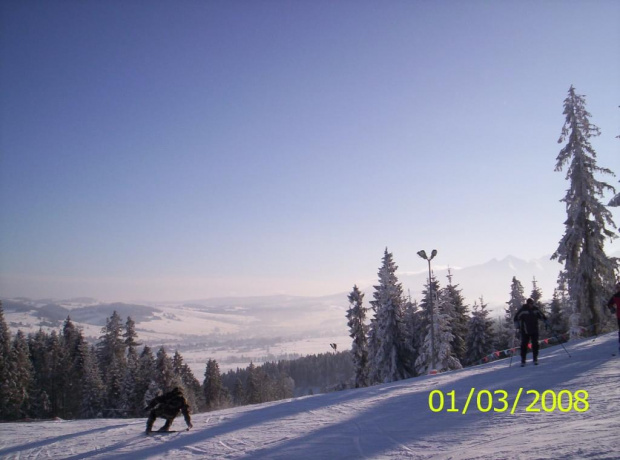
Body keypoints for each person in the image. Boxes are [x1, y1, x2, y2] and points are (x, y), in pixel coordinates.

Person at [514, 298, 548, 367]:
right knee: (524, 345)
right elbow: (516, 318)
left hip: (534, 330)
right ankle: (523, 360)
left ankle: (535, 358)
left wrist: (545, 320)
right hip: (525, 331)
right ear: (527, 303)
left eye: (532, 303)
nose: (531, 305)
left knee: (535, 344)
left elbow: (541, 315)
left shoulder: (535, 309)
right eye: (530, 303)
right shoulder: (523, 310)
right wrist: (517, 325)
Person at [606, 283, 620, 351]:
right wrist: (612, 308)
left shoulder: (615, 296)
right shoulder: (615, 296)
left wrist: (612, 308)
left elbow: (609, 304)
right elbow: (609, 304)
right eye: (617, 288)